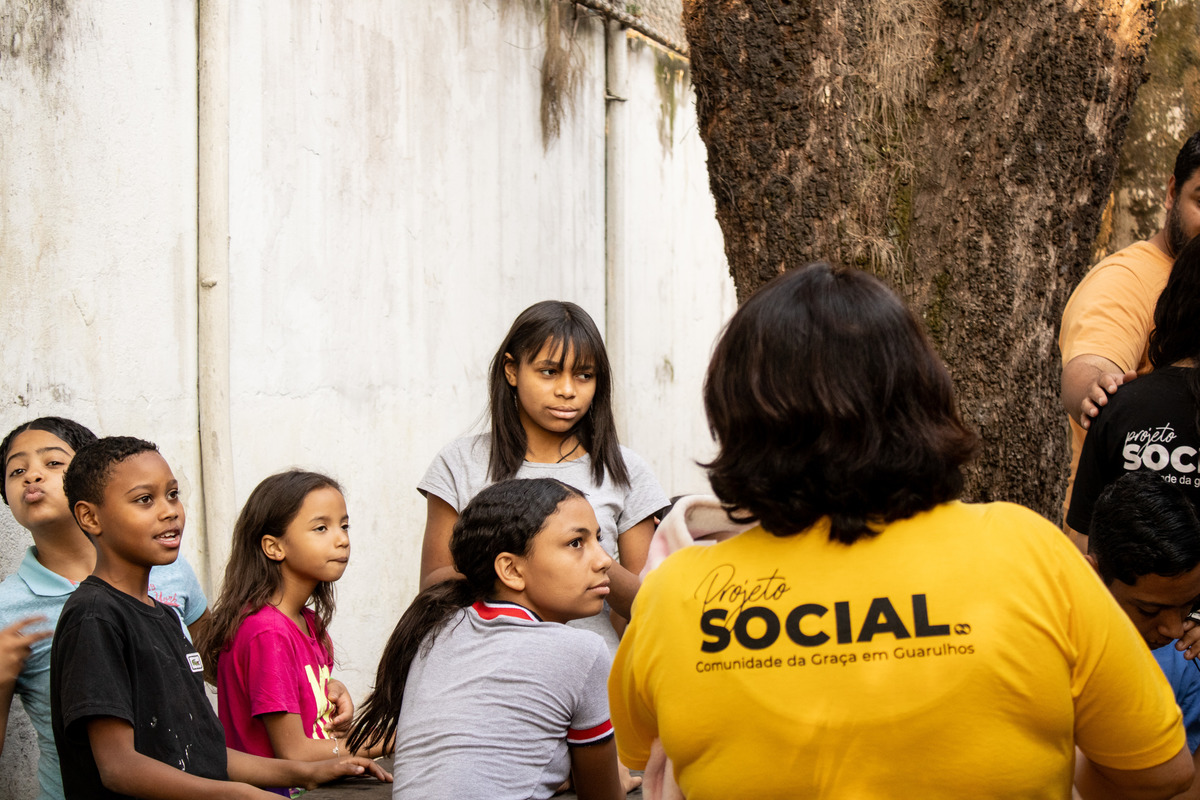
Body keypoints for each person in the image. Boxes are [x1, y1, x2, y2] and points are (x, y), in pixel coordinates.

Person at [608, 262, 1192, 798]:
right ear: (924, 397)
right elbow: (1158, 772)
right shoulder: (1030, 552)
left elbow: (645, 754)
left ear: (734, 418)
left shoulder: (674, 597)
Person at [49, 436, 389, 799]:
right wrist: (241, 795)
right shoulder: (94, 617)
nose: (170, 511)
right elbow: (120, 769)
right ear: (90, 517)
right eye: (145, 499)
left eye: (173, 494)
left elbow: (203, 753)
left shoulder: (163, 616)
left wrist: (309, 772)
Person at [348, 478, 623, 800]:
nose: (604, 559)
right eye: (576, 543)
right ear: (511, 570)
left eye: (598, 540)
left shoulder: (439, 628)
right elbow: (602, 794)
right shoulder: (582, 651)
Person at [418, 300, 668, 651]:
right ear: (511, 370)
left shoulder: (626, 470)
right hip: (486, 666)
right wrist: (529, 568)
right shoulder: (460, 463)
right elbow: (433, 586)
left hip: (592, 677)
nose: (567, 390)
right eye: (549, 372)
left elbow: (648, 604)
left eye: (584, 375)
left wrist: (585, 554)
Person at [0, 417, 208, 800]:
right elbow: (117, 767)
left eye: (52, 463)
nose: (32, 476)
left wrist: (314, 689)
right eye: (17, 470)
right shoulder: (8, 607)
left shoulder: (168, 567)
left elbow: (218, 665)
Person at [197, 470, 382, 794]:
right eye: (321, 528)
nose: (342, 539)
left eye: (344, 525)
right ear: (273, 547)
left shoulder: (307, 622)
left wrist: (330, 690)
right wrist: (383, 739)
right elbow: (295, 752)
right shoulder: (266, 633)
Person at [1060, 129, 1200, 538]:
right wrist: (1098, 390)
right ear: (1172, 192)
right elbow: (1090, 366)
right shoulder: (1127, 280)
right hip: (1119, 554)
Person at [1068, 234, 1200, 545]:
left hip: (1121, 591)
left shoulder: (1121, 407)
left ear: (1171, 302)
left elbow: (1084, 545)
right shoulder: (1123, 278)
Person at [1086, 471, 1200, 771]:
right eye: (1149, 611)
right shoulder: (1048, 650)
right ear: (1092, 576)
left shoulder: (1188, 663)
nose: (1175, 631)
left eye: (1190, 606)